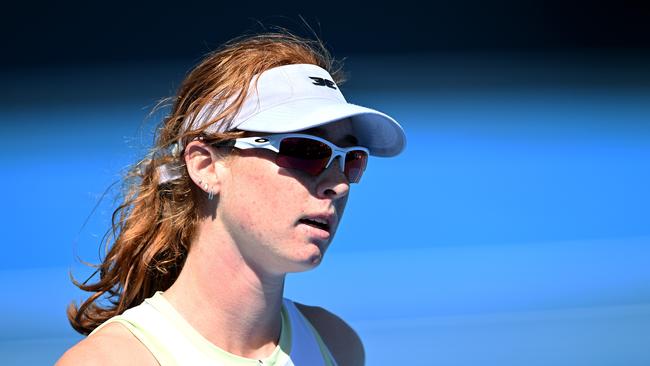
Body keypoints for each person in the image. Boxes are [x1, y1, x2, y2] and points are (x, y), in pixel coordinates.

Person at [57, 31, 406, 366]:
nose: (339, 185)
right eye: (305, 150)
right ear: (205, 166)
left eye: (351, 159)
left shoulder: (336, 343)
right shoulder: (110, 361)